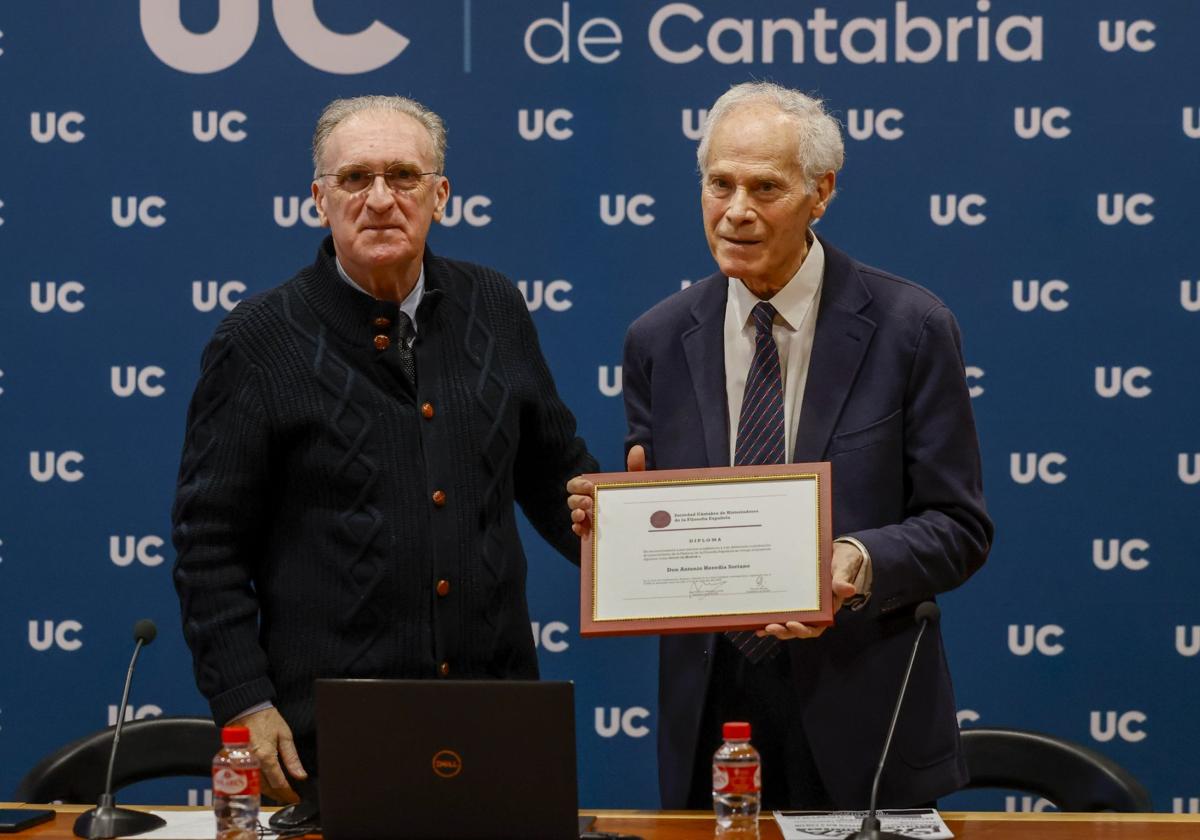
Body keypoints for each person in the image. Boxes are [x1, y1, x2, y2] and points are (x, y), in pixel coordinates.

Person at [568, 82, 992, 809]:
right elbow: (665, 517)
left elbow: (959, 527)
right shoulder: (658, 339)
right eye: (719, 184)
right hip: (712, 714)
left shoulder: (911, 327)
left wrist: (854, 563)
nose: (736, 211)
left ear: (821, 191)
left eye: (765, 187)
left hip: (862, 711)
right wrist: (619, 525)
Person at [172, 94, 596, 804]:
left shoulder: (495, 306)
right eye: (354, 179)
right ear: (318, 199)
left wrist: (655, 544)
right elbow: (207, 545)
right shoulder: (256, 340)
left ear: (440, 195)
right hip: (332, 734)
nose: (379, 200)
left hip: (499, 715)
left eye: (403, 177)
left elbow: (559, 478)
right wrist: (245, 699)